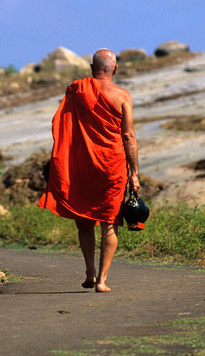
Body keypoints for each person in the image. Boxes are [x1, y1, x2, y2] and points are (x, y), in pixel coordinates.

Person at [38, 48, 140, 293]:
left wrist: (62, 163)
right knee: (109, 222)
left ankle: (90, 272)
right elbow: (128, 136)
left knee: (84, 222)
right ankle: (102, 280)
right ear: (115, 69)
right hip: (111, 167)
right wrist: (134, 173)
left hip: (82, 166)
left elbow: (62, 128)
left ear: (91, 68)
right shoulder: (122, 95)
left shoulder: (75, 90)